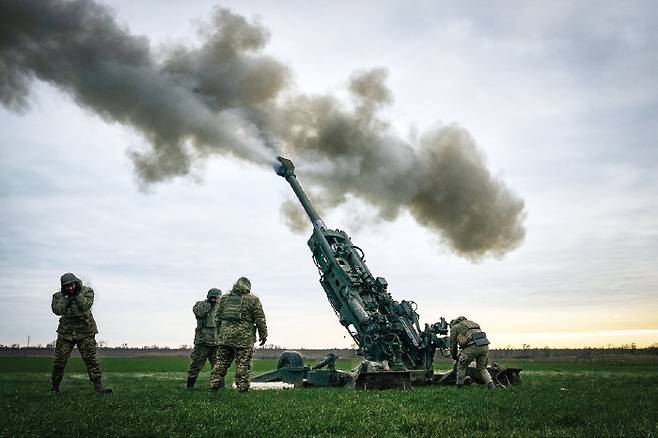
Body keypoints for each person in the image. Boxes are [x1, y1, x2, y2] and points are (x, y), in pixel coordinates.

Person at [50, 272, 111, 394]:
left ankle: (98, 387)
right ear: (63, 287)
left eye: (72, 285)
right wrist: (66, 298)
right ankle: (55, 388)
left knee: (91, 360)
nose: (70, 288)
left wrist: (77, 295)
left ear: (76, 283)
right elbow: (57, 310)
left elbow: (86, 305)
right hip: (66, 333)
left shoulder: (87, 292)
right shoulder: (58, 296)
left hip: (85, 332)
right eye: (67, 286)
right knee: (59, 362)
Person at [208, 277, 267, 392]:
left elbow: (217, 318)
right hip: (244, 339)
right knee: (243, 365)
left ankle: (213, 387)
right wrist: (263, 335)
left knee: (220, 364)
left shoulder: (224, 299)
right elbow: (260, 319)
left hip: (225, 338)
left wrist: (221, 333)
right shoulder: (253, 300)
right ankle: (242, 390)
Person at [186, 288, 222, 390]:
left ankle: (219, 387)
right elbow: (199, 313)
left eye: (217, 298)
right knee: (196, 364)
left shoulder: (221, 307)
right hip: (202, 342)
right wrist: (209, 304)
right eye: (213, 298)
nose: (215, 300)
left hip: (216, 343)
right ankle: (190, 386)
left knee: (218, 366)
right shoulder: (200, 305)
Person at [449, 316, 496, 390]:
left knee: (461, 366)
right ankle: (491, 386)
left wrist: (454, 355)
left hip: (472, 346)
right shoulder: (474, 324)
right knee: (482, 368)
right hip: (485, 345)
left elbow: (452, 344)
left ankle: (459, 387)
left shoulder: (455, 327)